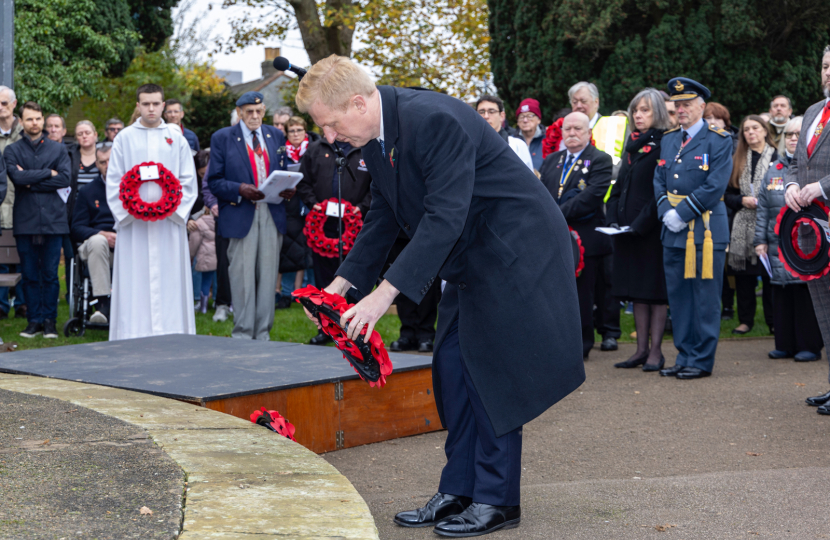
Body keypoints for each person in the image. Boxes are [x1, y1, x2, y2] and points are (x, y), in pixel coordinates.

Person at [296, 55, 584, 536]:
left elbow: (443, 217)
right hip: (471, 257)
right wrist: (338, 287)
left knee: (491, 375)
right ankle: (459, 490)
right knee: (452, 371)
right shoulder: (373, 136)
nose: (329, 137)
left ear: (358, 103)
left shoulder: (435, 121)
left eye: (329, 124)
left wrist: (382, 296)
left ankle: (497, 500)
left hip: (514, 252)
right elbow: (384, 216)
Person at [106, 83, 199, 340]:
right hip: (134, 226)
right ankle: (131, 334)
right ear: (138, 105)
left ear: (163, 105)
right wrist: (130, 212)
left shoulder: (175, 139)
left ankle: (173, 334)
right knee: (134, 281)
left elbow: (187, 180)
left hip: (168, 225)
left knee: (170, 282)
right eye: (145, 103)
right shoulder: (124, 137)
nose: (150, 109)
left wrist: (172, 210)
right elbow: (115, 180)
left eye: (156, 104)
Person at [655, 77, 733, 380]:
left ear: (702, 106)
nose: (680, 109)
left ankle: (701, 360)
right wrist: (666, 212)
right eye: (677, 104)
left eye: (686, 103)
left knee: (704, 297)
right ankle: (684, 355)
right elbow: (659, 178)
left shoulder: (719, 140)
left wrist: (682, 212)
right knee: (679, 298)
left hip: (705, 230)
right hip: (672, 231)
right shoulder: (670, 138)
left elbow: (715, 185)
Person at [207, 91, 294, 340]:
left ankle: (263, 334)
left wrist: (288, 187)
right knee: (242, 277)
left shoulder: (276, 135)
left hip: (271, 212)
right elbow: (214, 181)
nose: (254, 116)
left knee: (268, 277)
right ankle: (243, 335)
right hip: (239, 213)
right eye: (249, 112)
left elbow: (283, 170)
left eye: (258, 111)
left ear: (264, 110)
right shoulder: (223, 137)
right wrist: (239, 189)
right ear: (239, 112)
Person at [539, 112, 613, 359]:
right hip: (552, 237)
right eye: (567, 129)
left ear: (589, 133)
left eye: (578, 129)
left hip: (585, 239)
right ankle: (556, 342)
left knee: (582, 295)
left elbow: (591, 197)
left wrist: (555, 213)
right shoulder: (551, 161)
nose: (572, 133)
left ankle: (581, 344)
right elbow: (540, 195)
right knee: (554, 294)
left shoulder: (600, 160)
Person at [606, 88, 670, 371]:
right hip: (627, 230)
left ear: (658, 113)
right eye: (635, 110)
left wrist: (639, 225)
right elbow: (619, 186)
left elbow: (661, 191)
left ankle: (656, 351)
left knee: (654, 290)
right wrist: (614, 217)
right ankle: (640, 349)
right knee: (637, 292)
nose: (638, 115)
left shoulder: (663, 144)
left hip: (650, 231)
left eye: (645, 110)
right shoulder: (632, 144)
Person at [295, 115, 372, 345]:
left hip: (356, 226)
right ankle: (326, 328)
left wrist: (361, 208)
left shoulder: (365, 148)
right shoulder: (316, 149)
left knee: (354, 281)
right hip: (324, 228)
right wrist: (313, 204)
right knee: (324, 279)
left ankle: (355, 331)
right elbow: (303, 182)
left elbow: (376, 187)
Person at [784, 45, 830, 415]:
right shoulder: (813, 111)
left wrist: (822, 188)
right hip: (811, 233)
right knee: (824, 308)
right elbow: (794, 163)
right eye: (826, 66)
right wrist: (790, 187)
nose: (828, 72)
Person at [754, 116, 823, 361]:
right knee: (781, 293)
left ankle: (809, 345)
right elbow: (763, 208)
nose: (793, 139)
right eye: (789, 135)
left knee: (805, 294)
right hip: (777, 245)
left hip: (808, 245)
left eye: (798, 134)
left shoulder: (814, 169)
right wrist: (759, 240)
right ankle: (784, 343)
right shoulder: (774, 168)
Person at [4, 101, 72, 339]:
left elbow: (64, 179)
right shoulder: (12, 151)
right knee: (31, 274)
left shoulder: (58, 150)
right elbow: (17, 178)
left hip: (54, 220)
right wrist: (47, 173)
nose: (35, 123)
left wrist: (30, 179)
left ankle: (50, 322)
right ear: (21, 121)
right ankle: (33, 321)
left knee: (51, 274)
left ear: (43, 120)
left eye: (39, 118)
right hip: (26, 220)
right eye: (30, 119)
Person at [568, 81, 623, 351]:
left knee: (607, 280)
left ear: (597, 102)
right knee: (584, 283)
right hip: (575, 221)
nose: (579, 105)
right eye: (575, 101)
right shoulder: (564, 129)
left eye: (584, 101)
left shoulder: (613, 126)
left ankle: (610, 330)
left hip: (606, 212)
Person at [724, 116, 777, 335]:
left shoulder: (777, 157)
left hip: (770, 222)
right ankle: (745, 320)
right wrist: (741, 201)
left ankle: (773, 321)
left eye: (755, 128)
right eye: (746, 129)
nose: (750, 132)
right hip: (742, 223)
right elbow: (726, 194)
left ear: (765, 131)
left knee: (769, 275)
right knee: (744, 275)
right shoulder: (737, 158)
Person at [71, 146, 116, 324]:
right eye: (103, 162)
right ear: (97, 164)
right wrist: (101, 234)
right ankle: (102, 307)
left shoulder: (132, 188)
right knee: (98, 241)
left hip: (125, 246)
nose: (108, 165)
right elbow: (76, 228)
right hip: (93, 247)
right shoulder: (87, 191)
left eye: (111, 161)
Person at [277, 116, 313, 309]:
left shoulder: (313, 149)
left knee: (313, 250)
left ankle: (314, 292)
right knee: (289, 250)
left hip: (309, 203)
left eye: (299, 130)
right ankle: (286, 293)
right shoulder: (282, 152)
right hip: (289, 204)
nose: (296, 134)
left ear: (305, 132)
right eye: (292, 131)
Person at [0, 85, 25, 320]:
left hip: (22, 205)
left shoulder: (25, 133)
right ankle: (1, 305)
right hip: (0, 206)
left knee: (23, 256)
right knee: (1, 261)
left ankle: (23, 304)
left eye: (4, 103)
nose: (0, 108)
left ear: (14, 105)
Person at [200, 152, 233, 322]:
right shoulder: (222, 152)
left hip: (254, 212)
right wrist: (212, 203)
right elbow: (207, 183)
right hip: (225, 214)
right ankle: (223, 304)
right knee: (223, 262)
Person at [475, 95, 532, 170]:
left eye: (491, 111)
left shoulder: (517, 146)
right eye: (481, 112)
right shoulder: (469, 146)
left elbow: (527, 178)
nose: (486, 116)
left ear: (502, 116)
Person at [188, 207, 217, 313]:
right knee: (218, 277)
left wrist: (191, 254)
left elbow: (194, 241)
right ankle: (216, 300)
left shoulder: (199, 223)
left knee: (204, 280)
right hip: (218, 255)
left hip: (204, 257)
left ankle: (200, 302)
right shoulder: (221, 221)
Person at [515, 98, 545, 171]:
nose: (525, 120)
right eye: (521, 116)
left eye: (530, 116)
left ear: (538, 120)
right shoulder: (512, 141)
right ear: (517, 122)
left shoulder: (548, 140)